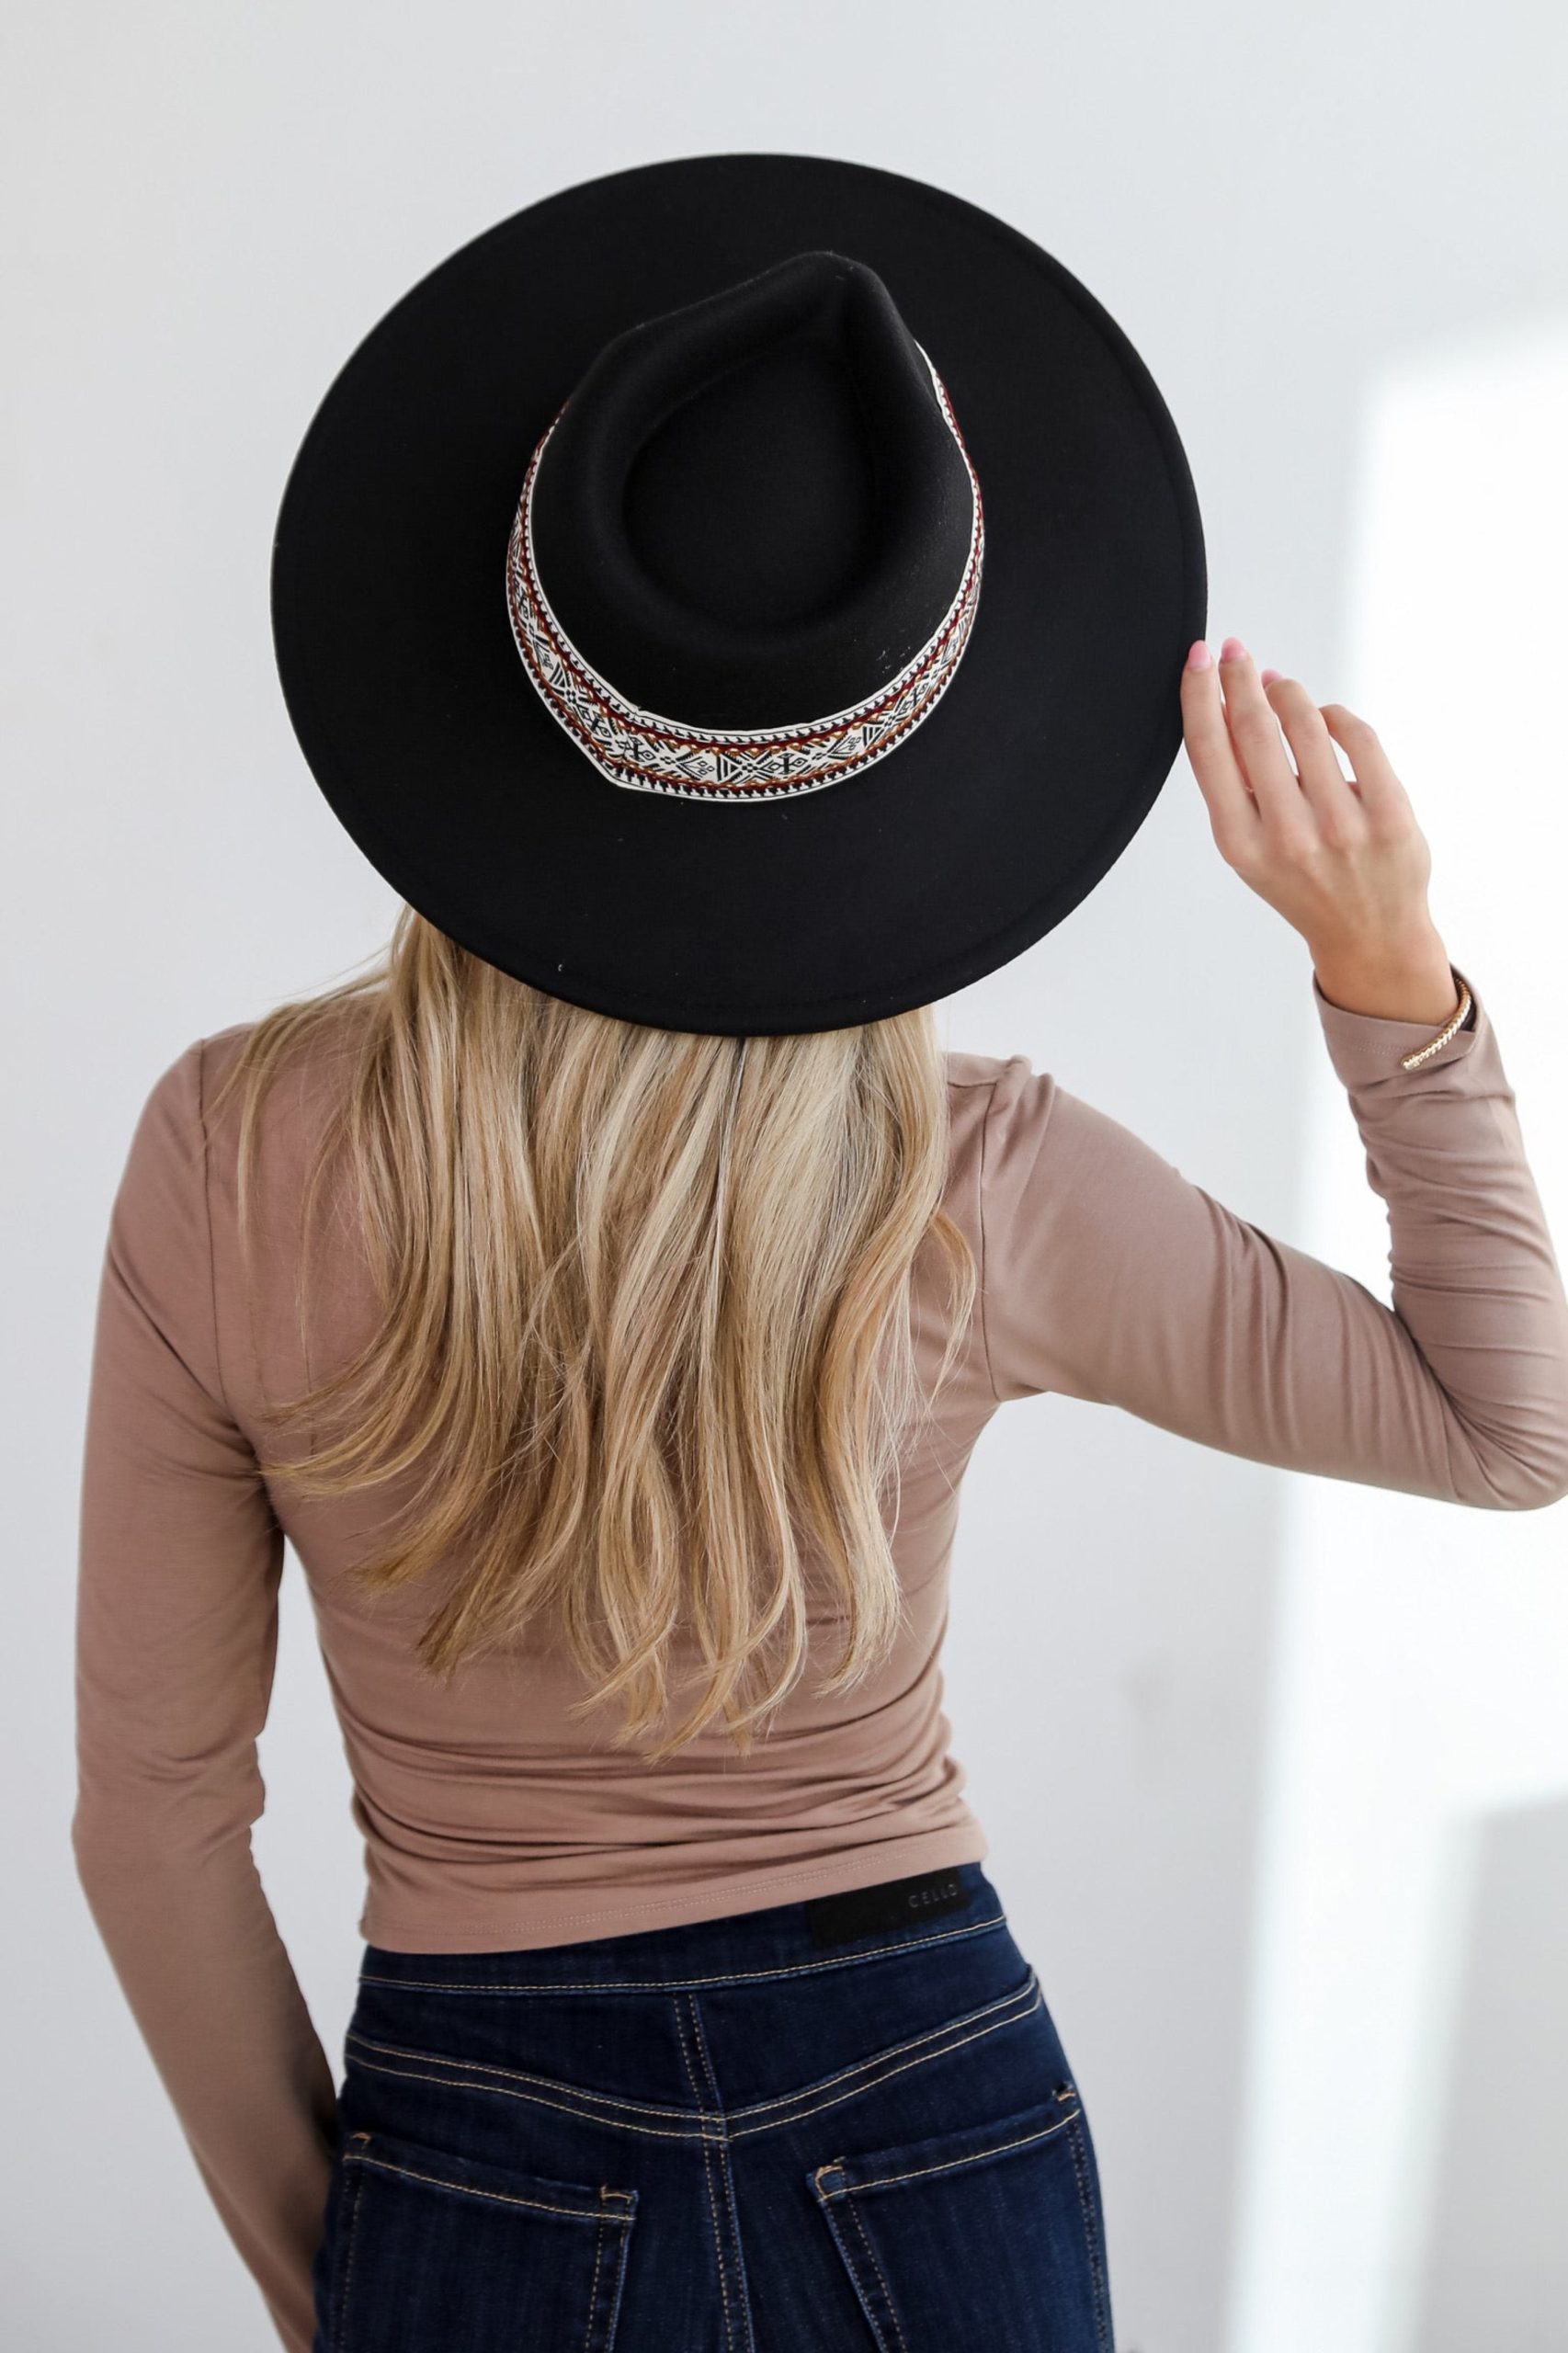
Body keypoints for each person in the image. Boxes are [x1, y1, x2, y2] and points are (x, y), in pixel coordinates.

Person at [73, 157, 1568, 2353]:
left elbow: (156, 1820)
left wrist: (369, 2277)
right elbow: (1504, 1425)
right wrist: (1388, 972)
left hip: (470, 2135)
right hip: (933, 2103)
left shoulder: (230, 1150)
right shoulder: (977, 1168)